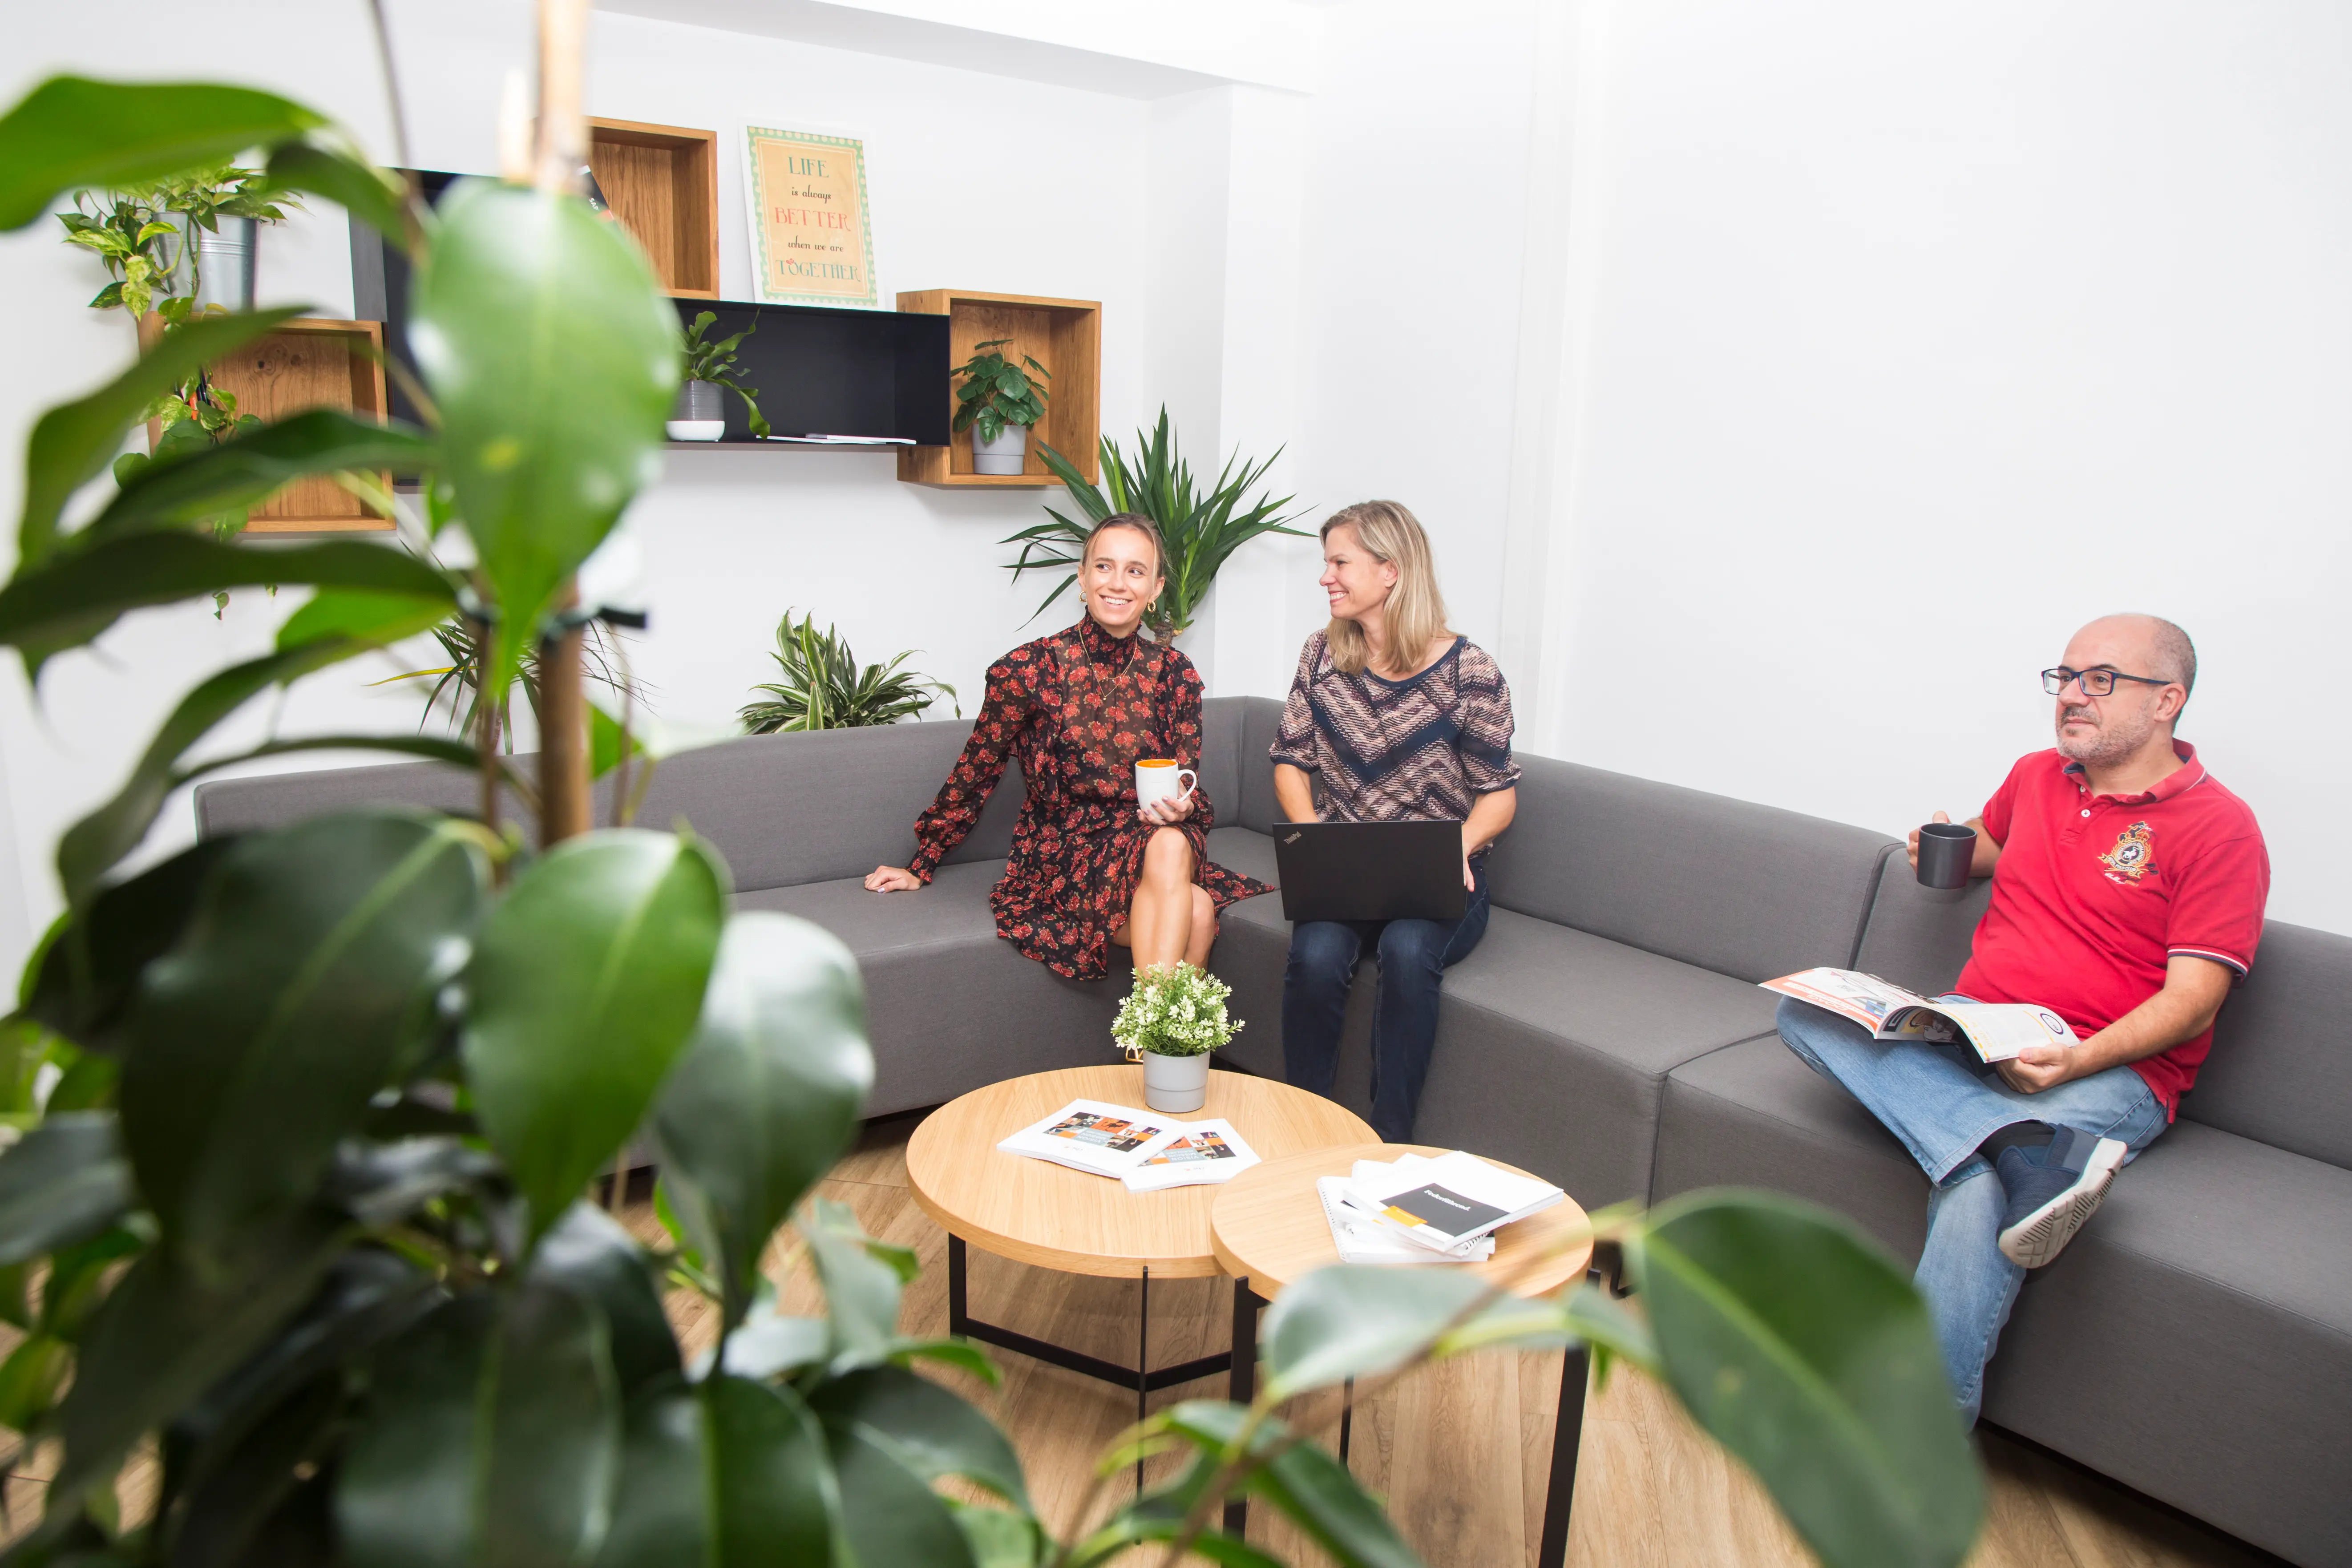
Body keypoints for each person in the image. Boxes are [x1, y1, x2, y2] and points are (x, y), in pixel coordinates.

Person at [1775, 614, 2269, 1423]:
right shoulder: (2039, 775)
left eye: (2100, 679)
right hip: (1977, 1024)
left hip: (2106, 1065)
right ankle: (2021, 1148)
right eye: (2065, 676)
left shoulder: (2221, 827)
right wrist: (1946, 843)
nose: (2072, 695)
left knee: (1975, 1193)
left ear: (2166, 701)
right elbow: (1989, 843)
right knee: (1811, 1011)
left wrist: (2075, 1062)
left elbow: (2194, 1002)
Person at [865, 513, 1267, 979]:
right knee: (1196, 909)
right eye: (1104, 567)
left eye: (1135, 571)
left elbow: (1183, 779)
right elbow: (978, 768)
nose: (1117, 583)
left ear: (1156, 589)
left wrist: (1181, 805)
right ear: (1082, 576)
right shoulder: (1029, 669)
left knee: (1171, 844)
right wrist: (923, 860)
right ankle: (1164, 1040)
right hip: (1065, 847)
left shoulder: (1176, 673)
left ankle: (1151, 1032)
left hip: (1152, 840)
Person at [1270, 500, 1521, 1142]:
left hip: (1434, 875)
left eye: (1339, 562)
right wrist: (1313, 839)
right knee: (1315, 955)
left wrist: (1458, 848)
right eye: (1326, 562)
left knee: (1408, 950)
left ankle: (1389, 1143)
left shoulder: (1471, 673)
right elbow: (1290, 763)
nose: (1326, 576)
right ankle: (1303, 1130)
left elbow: (1498, 797)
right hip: (1346, 867)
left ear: (1390, 571)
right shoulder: (1322, 656)